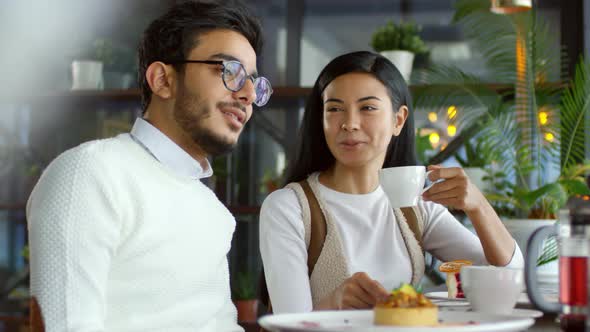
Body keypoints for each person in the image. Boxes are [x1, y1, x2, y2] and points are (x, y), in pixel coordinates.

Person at [27, 1, 272, 331]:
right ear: (162, 79)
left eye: (253, 83)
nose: (247, 94)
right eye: (228, 71)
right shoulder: (90, 173)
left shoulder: (212, 211)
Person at [259, 51, 523, 314]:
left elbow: (509, 276)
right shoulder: (289, 208)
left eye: (368, 108)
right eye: (335, 109)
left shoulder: (416, 207)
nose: (349, 124)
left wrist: (479, 207)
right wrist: (335, 302)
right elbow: (287, 324)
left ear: (398, 120)